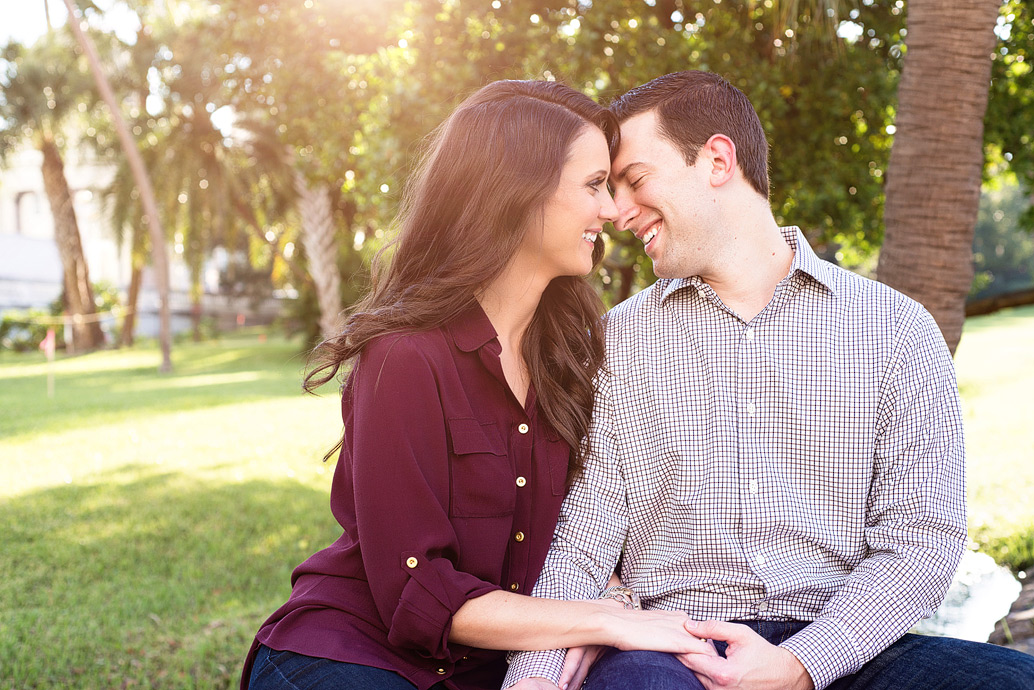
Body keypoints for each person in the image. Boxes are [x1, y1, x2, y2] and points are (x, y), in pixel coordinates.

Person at [504, 71, 1034, 690]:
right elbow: (581, 540)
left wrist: (800, 665)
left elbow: (921, 544)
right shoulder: (617, 344)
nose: (617, 211)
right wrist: (533, 681)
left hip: (843, 647)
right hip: (673, 652)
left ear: (718, 161)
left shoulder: (894, 331)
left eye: (636, 180)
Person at [240, 79, 715, 690]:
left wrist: (611, 599)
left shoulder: (576, 357)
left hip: (482, 670)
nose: (610, 211)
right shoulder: (405, 359)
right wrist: (599, 622)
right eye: (594, 185)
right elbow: (417, 590)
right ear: (516, 193)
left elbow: (594, 531)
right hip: (348, 655)